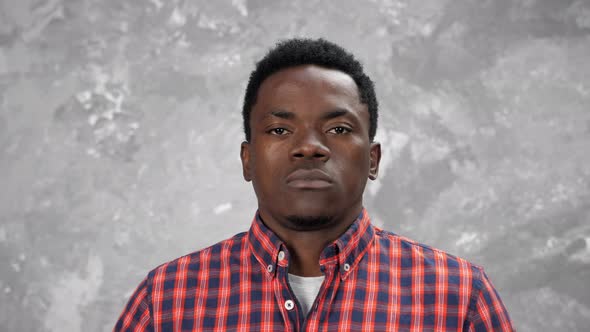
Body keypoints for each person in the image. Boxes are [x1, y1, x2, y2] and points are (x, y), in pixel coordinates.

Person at [114, 38, 513, 331]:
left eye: (338, 128)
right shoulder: (167, 299)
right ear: (247, 159)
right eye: (280, 129)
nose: (308, 147)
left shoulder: (459, 297)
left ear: (372, 160)